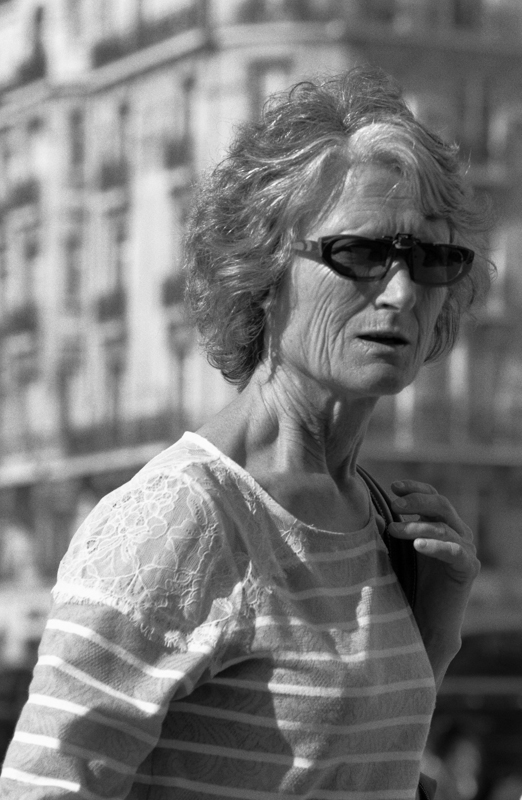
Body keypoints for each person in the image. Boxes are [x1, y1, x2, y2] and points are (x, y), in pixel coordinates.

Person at [0, 66, 491, 798]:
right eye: (358, 253)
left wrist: (435, 635)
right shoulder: (183, 520)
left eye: (430, 259)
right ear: (262, 270)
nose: (401, 292)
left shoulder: (382, 520)